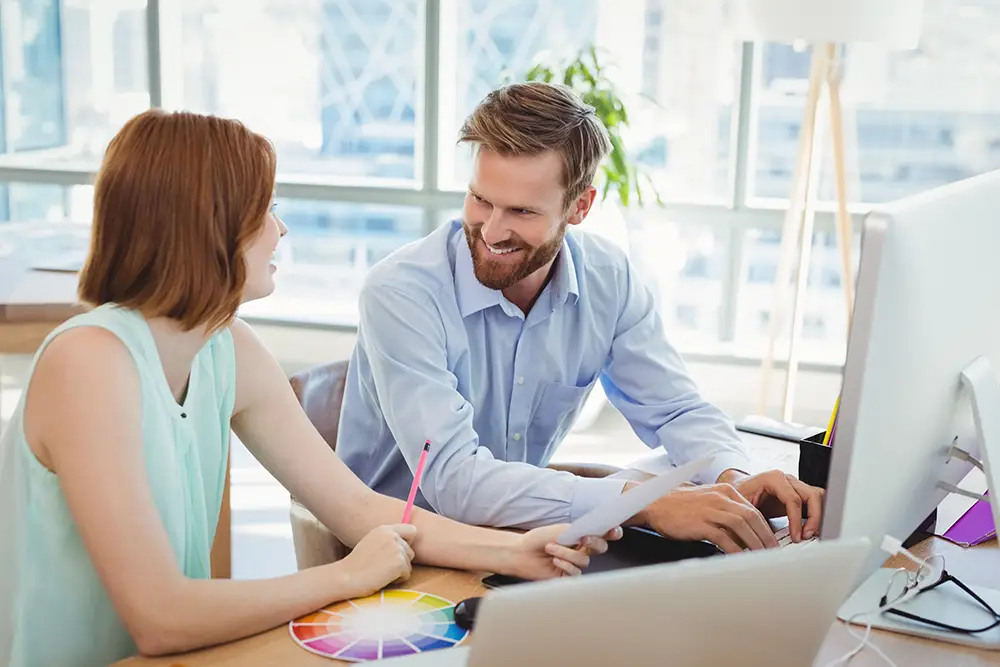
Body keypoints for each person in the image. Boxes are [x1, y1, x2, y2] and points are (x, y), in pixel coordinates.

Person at [0, 109, 616, 667]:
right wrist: (345, 577)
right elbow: (161, 618)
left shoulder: (225, 346)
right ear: (210, 226)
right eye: (264, 210)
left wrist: (514, 553)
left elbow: (355, 507)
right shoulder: (88, 362)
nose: (281, 229)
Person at [337, 81, 825, 554]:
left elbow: (675, 410)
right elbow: (455, 483)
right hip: (398, 551)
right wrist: (645, 502)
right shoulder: (401, 293)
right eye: (481, 199)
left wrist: (733, 482)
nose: (491, 229)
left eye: (522, 211)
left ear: (580, 206)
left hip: (521, 539)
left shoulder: (607, 277)